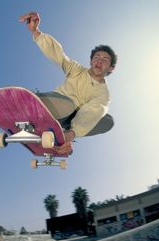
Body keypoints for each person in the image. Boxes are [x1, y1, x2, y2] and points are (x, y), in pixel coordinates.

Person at [19, 12, 117, 155]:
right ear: (91, 61)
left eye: (105, 60)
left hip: (69, 122)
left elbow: (91, 112)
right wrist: (36, 32)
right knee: (67, 104)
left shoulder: (103, 94)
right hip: (56, 103)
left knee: (107, 120)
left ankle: (59, 133)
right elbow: (58, 55)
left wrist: (69, 136)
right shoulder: (77, 70)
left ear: (111, 68)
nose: (99, 61)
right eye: (96, 57)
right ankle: (34, 103)